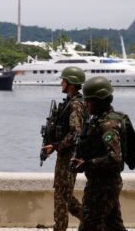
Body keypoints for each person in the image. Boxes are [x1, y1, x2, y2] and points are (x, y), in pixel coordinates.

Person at [71, 76, 135, 231]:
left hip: (102, 187)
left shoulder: (108, 126)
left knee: (89, 227)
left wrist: (87, 164)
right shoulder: (101, 121)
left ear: (99, 101)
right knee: (114, 226)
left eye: (89, 101)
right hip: (104, 184)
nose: (86, 105)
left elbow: (114, 159)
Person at [40, 66, 86, 231]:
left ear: (71, 84)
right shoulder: (71, 102)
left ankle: (60, 228)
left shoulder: (75, 105)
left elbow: (76, 133)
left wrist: (56, 146)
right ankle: (91, 222)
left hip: (70, 156)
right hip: (65, 155)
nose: (61, 83)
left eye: (64, 80)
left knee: (61, 196)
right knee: (63, 194)